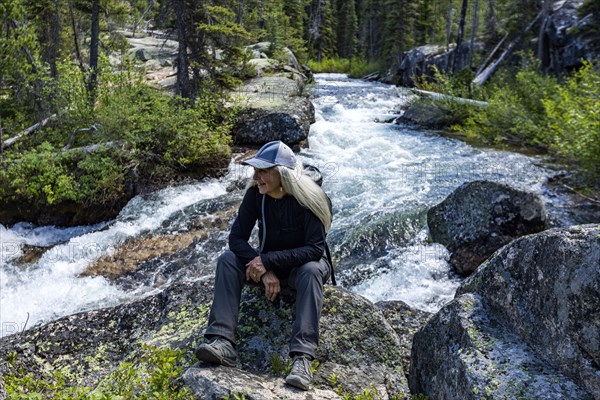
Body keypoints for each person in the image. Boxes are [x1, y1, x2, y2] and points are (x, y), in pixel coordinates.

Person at [195, 140, 333, 391]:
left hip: (304, 268)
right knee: (227, 259)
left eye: (262, 170)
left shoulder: (308, 199)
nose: (255, 176)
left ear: (282, 173)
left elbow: (315, 249)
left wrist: (267, 260)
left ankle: (301, 359)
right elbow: (236, 238)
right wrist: (265, 269)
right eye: (254, 170)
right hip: (271, 264)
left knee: (311, 271)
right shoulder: (255, 195)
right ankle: (222, 341)